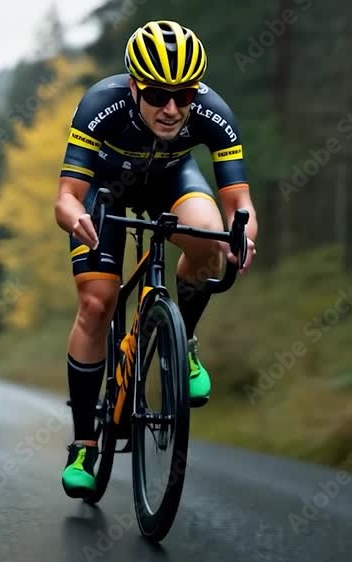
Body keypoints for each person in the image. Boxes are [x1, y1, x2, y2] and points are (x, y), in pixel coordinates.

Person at [54, 20, 258, 498]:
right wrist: (74, 218)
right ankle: (84, 445)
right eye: (157, 95)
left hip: (172, 180)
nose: (171, 109)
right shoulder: (100, 105)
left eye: (183, 96)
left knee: (209, 237)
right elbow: (67, 196)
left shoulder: (213, 112)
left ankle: (181, 341)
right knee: (96, 303)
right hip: (104, 191)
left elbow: (240, 204)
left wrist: (242, 238)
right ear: (133, 87)